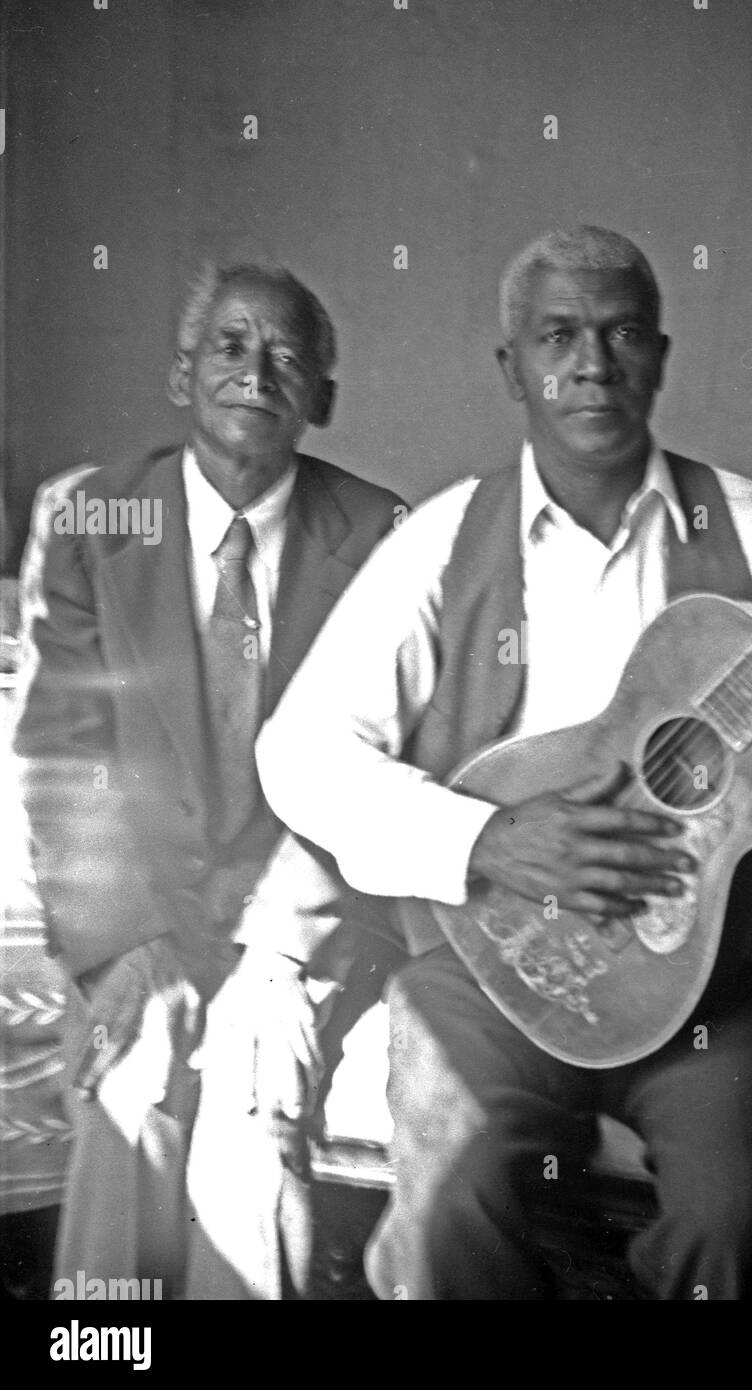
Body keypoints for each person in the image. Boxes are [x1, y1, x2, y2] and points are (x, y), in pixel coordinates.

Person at [255, 225, 752, 1299]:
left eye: (621, 334)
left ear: (659, 356)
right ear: (512, 367)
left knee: (734, 1222)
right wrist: (491, 837)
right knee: (448, 1198)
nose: (592, 363)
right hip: (490, 968)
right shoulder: (437, 544)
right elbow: (298, 752)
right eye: (557, 335)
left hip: (708, 984)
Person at [13, 263, 404, 1298]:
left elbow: (381, 771)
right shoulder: (101, 517)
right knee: (128, 1084)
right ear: (181, 374)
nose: (256, 371)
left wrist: (283, 949)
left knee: (251, 1108)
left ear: (322, 395)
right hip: (141, 911)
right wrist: (130, 946)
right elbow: (63, 752)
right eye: (231, 346)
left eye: (287, 355)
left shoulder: (379, 534)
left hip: (296, 916)